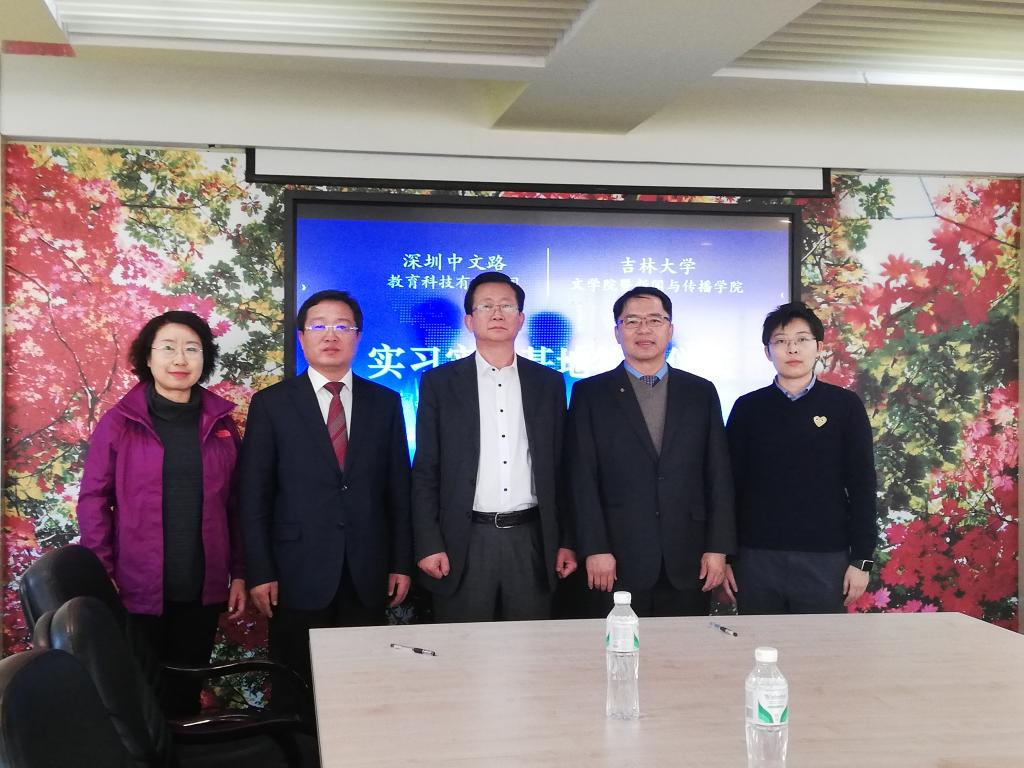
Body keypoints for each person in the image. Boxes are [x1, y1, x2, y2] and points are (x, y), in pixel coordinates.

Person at [239, 289, 412, 692]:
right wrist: (260, 571)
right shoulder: (271, 404)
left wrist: (401, 562)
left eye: (342, 326)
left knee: (363, 686)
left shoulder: (385, 403)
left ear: (358, 337)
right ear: (302, 338)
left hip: (367, 570)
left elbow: (398, 491)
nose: (330, 335)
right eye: (318, 326)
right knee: (296, 686)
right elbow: (254, 496)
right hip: (295, 572)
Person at [77, 310, 246, 717]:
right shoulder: (120, 423)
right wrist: (102, 571)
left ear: (205, 358)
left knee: (185, 696)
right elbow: (93, 499)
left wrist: (240, 572)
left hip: (202, 585)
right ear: (148, 358)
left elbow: (238, 504)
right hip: (135, 587)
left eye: (192, 349)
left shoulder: (222, 423)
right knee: (139, 700)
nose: (180, 359)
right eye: (168, 348)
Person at [412, 272, 577, 622]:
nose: (497, 314)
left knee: (530, 645)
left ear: (520, 319)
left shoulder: (548, 383)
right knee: (464, 645)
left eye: (506, 306)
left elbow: (563, 468)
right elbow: (426, 469)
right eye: (486, 306)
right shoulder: (440, 383)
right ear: (469, 321)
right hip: (463, 539)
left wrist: (567, 540)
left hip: (532, 539)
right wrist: (428, 543)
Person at [565, 286, 734, 617]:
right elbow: (581, 478)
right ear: (617, 332)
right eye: (632, 321)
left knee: (683, 647)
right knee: (618, 645)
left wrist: (718, 547)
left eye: (655, 320)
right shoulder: (590, 394)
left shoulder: (700, 392)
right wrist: (595, 548)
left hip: (688, 557)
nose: (644, 329)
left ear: (669, 330)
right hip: (616, 558)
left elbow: (718, 474)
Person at [724, 301, 877, 613]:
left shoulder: (845, 406)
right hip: (756, 557)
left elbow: (862, 484)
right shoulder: (747, 408)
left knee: (820, 644)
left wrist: (862, 558)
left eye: (802, 339)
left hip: (825, 558)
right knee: (758, 640)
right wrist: (725, 556)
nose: (792, 349)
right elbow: (728, 487)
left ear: (818, 347)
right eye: (781, 341)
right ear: (767, 351)